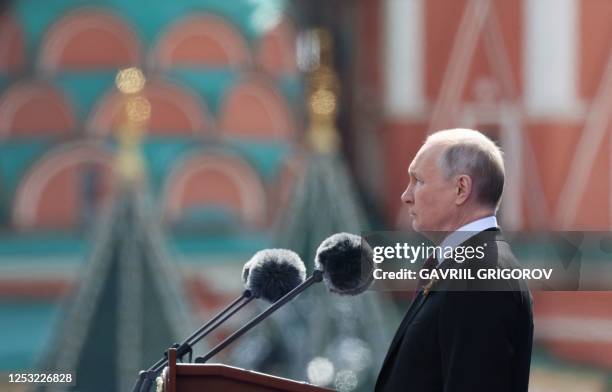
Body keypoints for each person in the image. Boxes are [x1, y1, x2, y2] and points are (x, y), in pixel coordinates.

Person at [375, 129, 533, 392]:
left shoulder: (481, 275)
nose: (406, 195)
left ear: (461, 189)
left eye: (418, 181)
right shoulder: (464, 265)